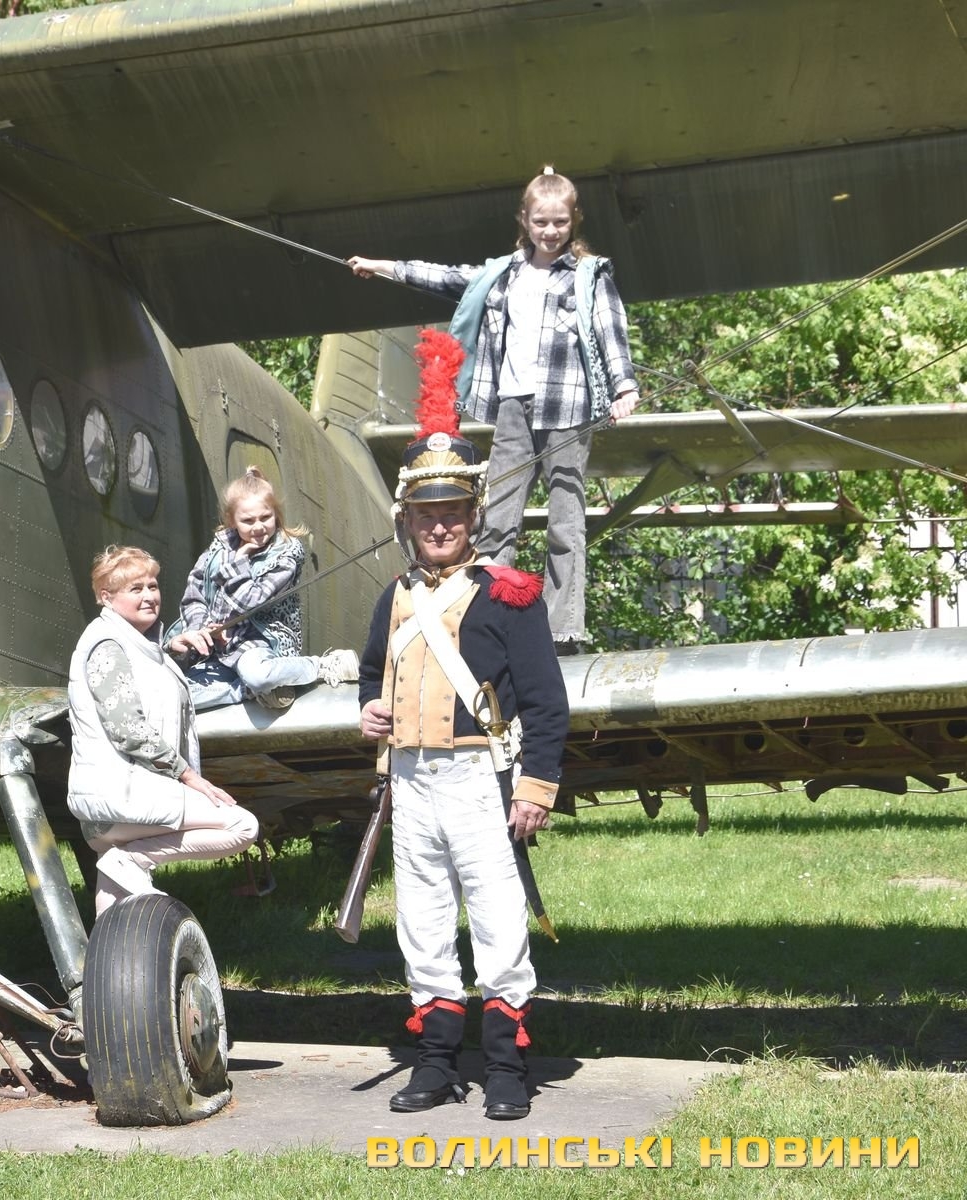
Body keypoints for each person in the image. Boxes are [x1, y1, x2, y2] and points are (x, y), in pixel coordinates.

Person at [356, 334, 570, 1120]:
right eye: (427, 514)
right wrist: (368, 712)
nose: (439, 526)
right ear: (407, 518)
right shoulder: (395, 598)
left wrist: (535, 788)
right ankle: (437, 1061)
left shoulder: (509, 594)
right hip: (410, 778)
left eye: (451, 513)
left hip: (481, 777)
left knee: (498, 920)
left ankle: (507, 1066)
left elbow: (546, 702)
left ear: (473, 515)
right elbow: (370, 674)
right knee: (420, 921)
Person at [347, 166, 641, 654]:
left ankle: (563, 627)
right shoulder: (503, 273)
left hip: (567, 408)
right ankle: (486, 614)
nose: (550, 231)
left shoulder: (590, 276)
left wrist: (623, 387)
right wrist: (382, 267)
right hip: (512, 407)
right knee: (498, 514)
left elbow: (612, 333)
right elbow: (445, 277)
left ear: (574, 221)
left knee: (565, 521)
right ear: (524, 220)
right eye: (541, 222)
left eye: (560, 222)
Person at [66, 545, 261, 917]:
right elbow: (128, 729)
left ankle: (102, 949)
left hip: (112, 804)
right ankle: (133, 859)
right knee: (241, 826)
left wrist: (173, 653)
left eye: (152, 586)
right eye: (135, 589)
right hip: (123, 798)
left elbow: (146, 689)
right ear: (106, 596)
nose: (149, 596)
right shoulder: (107, 645)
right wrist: (188, 776)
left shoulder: (132, 643)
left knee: (115, 899)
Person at [165, 467, 359, 710]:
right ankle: (246, 691)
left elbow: (252, 601)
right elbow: (194, 595)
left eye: (265, 518)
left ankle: (322, 666)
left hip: (260, 642)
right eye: (247, 521)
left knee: (259, 675)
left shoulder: (287, 553)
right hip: (219, 650)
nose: (258, 527)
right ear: (231, 521)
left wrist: (238, 562)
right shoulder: (216, 550)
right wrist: (202, 630)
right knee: (176, 694)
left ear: (276, 514)